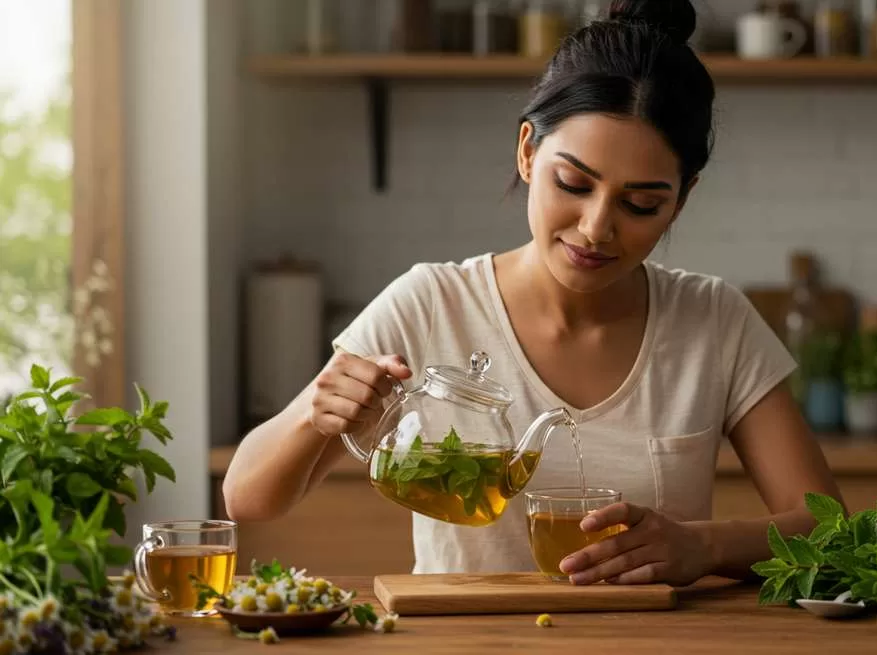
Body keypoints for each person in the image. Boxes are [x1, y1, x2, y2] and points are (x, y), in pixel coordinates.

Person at [223, 0, 842, 587]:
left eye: (641, 204)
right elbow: (246, 496)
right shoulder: (430, 301)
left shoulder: (715, 320)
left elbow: (829, 526)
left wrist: (703, 546)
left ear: (682, 199)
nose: (597, 228)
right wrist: (316, 414)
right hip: (464, 644)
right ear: (527, 152)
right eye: (573, 183)